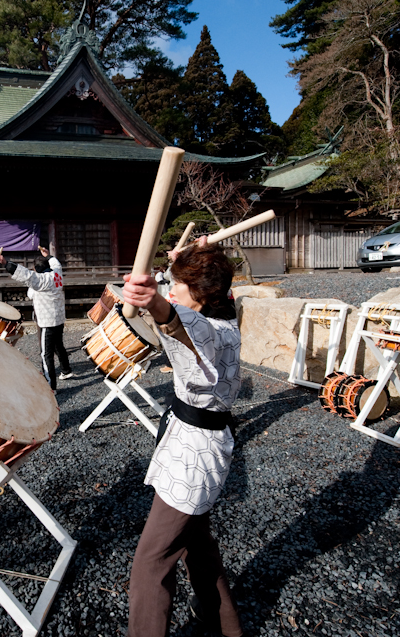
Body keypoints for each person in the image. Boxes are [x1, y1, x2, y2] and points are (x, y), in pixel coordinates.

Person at [121, 239, 243, 637]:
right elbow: (192, 302)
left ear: (204, 298)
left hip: (194, 456)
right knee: (197, 544)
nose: (172, 291)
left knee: (151, 562)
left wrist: (154, 301)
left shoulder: (206, 330)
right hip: (199, 444)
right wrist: (190, 258)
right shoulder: (227, 315)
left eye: (179, 287)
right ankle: (222, 621)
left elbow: (178, 320)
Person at [0, 245, 74, 391]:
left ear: (36, 269)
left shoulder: (40, 280)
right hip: (59, 319)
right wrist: (48, 255)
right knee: (59, 345)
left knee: (46, 354)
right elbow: (56, 264)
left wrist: (5, 263)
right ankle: (66, 370)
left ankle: (51, 386)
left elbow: (25, 274)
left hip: (47, 322)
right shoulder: (57, 274)